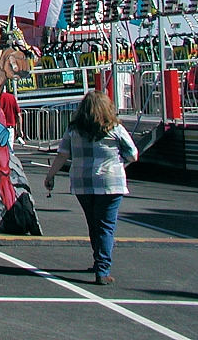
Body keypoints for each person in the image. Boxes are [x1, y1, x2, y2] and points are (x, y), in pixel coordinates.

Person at [44, 91, 138, 285]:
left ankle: (99, 261)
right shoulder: (115, 129)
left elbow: (62, 154)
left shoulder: (73, 130)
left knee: (94, 223)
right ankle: (103, 269)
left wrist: (50, 175)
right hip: (110, 182)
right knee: (106, 225)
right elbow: (133, 154)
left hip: (82, 182)